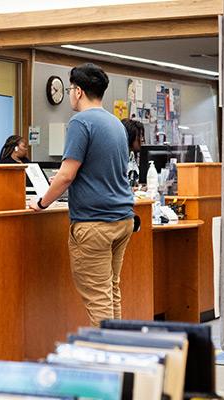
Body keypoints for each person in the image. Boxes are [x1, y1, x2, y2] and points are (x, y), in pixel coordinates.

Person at [29, 63, 134, 327]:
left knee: (98, 299)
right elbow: (100, 169)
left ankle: (105, 361)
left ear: (77, 91)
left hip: (94, 223)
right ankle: (118, 352)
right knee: (110, 291)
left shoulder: (80, 122)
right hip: (122, 219)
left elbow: (66, 175)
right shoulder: (115, 123)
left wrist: (41, 203)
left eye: (69, 90)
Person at [121, 118, 145, 187]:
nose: (142, 139)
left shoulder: (133, 157)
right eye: (140, 136)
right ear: (130, 136)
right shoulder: (122, 158)